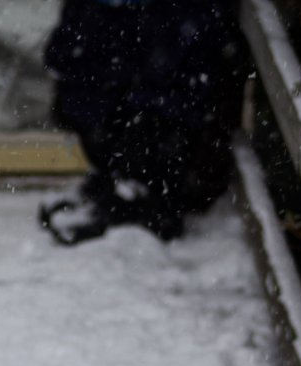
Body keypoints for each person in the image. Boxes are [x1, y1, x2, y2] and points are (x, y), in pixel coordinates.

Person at [39, 0, 247, 244]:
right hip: (134, 86)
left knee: (153, 127)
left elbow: (195, 60)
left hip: (167, 106)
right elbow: (65, 55)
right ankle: (122, 187)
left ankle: (143, 202)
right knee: (112, 110)